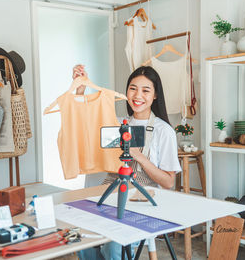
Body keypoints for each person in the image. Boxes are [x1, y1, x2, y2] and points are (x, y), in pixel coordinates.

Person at [73, 64, 182, 260]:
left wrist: (137, 155)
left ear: (155, 95)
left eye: (145, 90)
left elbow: (168, 182)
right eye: (133, 88)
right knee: (83, 237)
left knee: (114, 245)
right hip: (110, 197)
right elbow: (84, 123)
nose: (137, 95)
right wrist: (81, 89)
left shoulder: (163, 131)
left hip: (140, 202)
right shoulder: (117, 124)